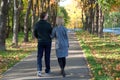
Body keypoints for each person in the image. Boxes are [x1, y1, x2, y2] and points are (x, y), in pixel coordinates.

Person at [34, 12, 52, 77]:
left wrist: (38, 38)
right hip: (48, 42)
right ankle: (47, 70)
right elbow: (51, 32)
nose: (47, 16)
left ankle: (39, 71)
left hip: (40, 42)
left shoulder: (37, 24)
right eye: (47, 15)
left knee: (39, 56)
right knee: (47, 56)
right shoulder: (48, 24)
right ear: (44, 16)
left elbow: (35, 33)